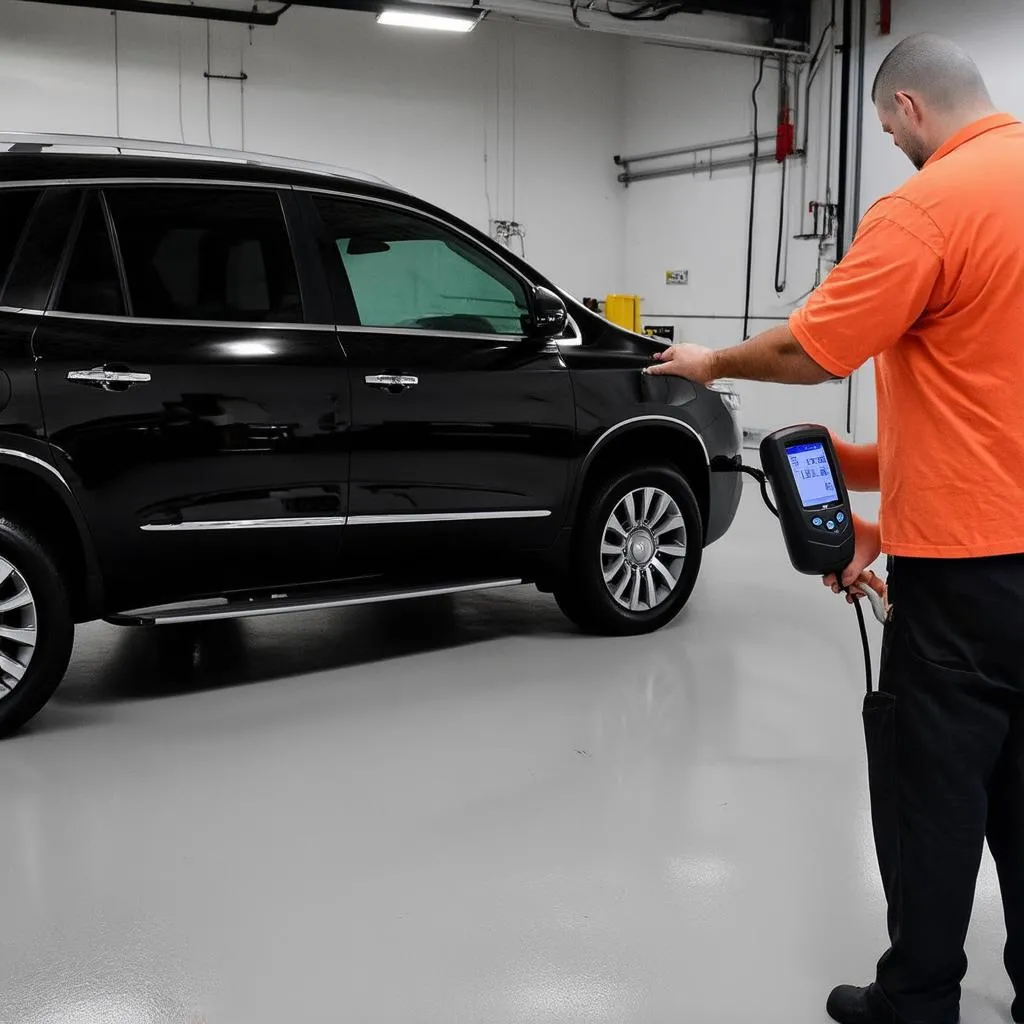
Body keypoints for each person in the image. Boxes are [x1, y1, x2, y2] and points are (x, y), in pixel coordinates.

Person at [646, 33, 1024, 1024]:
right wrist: (873, 505)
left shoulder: (927, 205)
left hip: (964, 577)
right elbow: (987, 403)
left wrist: (712, 364)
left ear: (906, 107)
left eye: (883, 128)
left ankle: (916, 998)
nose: (889, 144)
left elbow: (812, 351)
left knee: (935, 790)